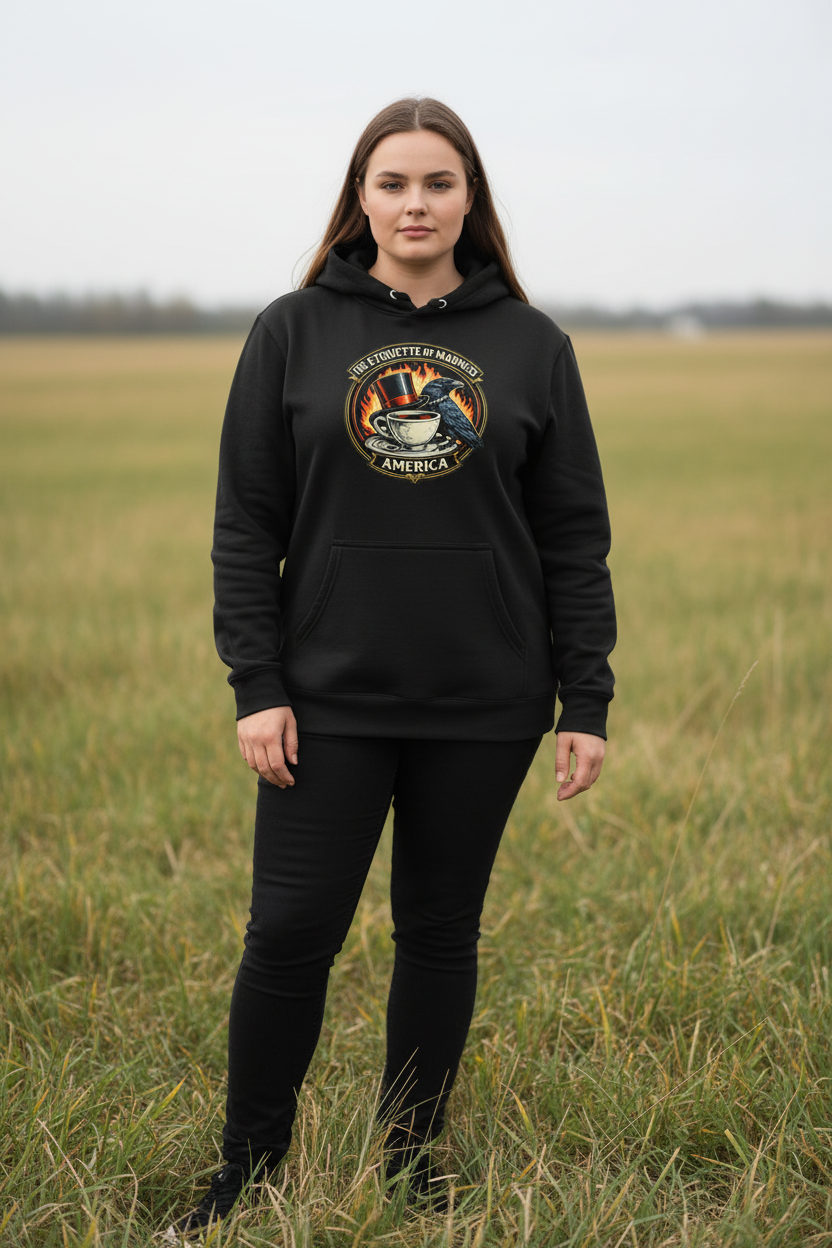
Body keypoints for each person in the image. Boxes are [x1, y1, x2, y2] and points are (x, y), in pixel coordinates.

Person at [168, 96, 616, 1237]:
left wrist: (586, 697)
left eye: (437, 184)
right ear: (359, 198)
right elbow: (243, 524)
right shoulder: (292, 331)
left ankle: (413, 1165)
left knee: (438, 933)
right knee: (288, 934)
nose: (414, 204)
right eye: (392, 183)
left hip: (487, 699)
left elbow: (572, 537)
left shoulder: (532, 345)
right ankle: (248, 1171)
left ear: (471, 200)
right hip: (325, 701)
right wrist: (256, 685)